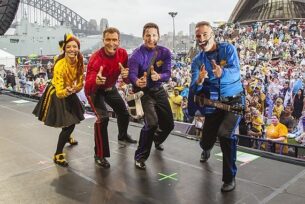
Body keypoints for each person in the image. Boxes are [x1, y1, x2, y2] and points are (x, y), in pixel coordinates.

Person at [189, 21, 244, 192]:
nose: (202, 38)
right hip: (213, 104)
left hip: (234, 101)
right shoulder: (198, 60)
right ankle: (206, 149)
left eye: (205, 34)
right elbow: (193, 86)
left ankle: (229, 178)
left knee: (225, 135)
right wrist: (199, 81)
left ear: (212, 35)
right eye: (198, 35)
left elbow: (236, 71)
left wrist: (223, 73)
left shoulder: (228, 49)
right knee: (206, 140)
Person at [85, 27, 136, 169]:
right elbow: (88, 87)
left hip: (110, 88)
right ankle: (99, 155)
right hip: (95, 90)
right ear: (103, 41)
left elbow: (126, 79)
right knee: (103, 118)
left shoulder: (123, 54)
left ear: (119, 41)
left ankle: (122, 135)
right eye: (108, 39)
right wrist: (96, 81)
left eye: (114, 40)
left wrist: (126, 76)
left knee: (123, 112)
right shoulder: (95, 58)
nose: (111, 43)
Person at [33, 34, 85, 167]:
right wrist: (67, 91)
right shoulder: (60, 65)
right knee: (69, 124)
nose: (72, 49)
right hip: (57, 92)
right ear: (64, 49)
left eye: (75, 46)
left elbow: (80, 82)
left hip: (69, 90)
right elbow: (60, 90)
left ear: (78, 48)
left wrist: (75, 88)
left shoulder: (80, 61)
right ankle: (57, 154)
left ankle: (67, 137)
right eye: (69, 47)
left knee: (70, 120)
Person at [128, 22, 174, 170]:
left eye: (154, 35)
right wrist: (137, 81)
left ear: (158, 36)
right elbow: (132, 75)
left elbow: (167, 75)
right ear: (143, 36)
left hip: (159, 90)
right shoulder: (136, 55)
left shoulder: (165, 52)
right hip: (144, 92)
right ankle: (140, 157)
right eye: (148, 35)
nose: (151, 38)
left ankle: (156, 139)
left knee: (169, 124)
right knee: (152, 124)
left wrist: (159, 76)